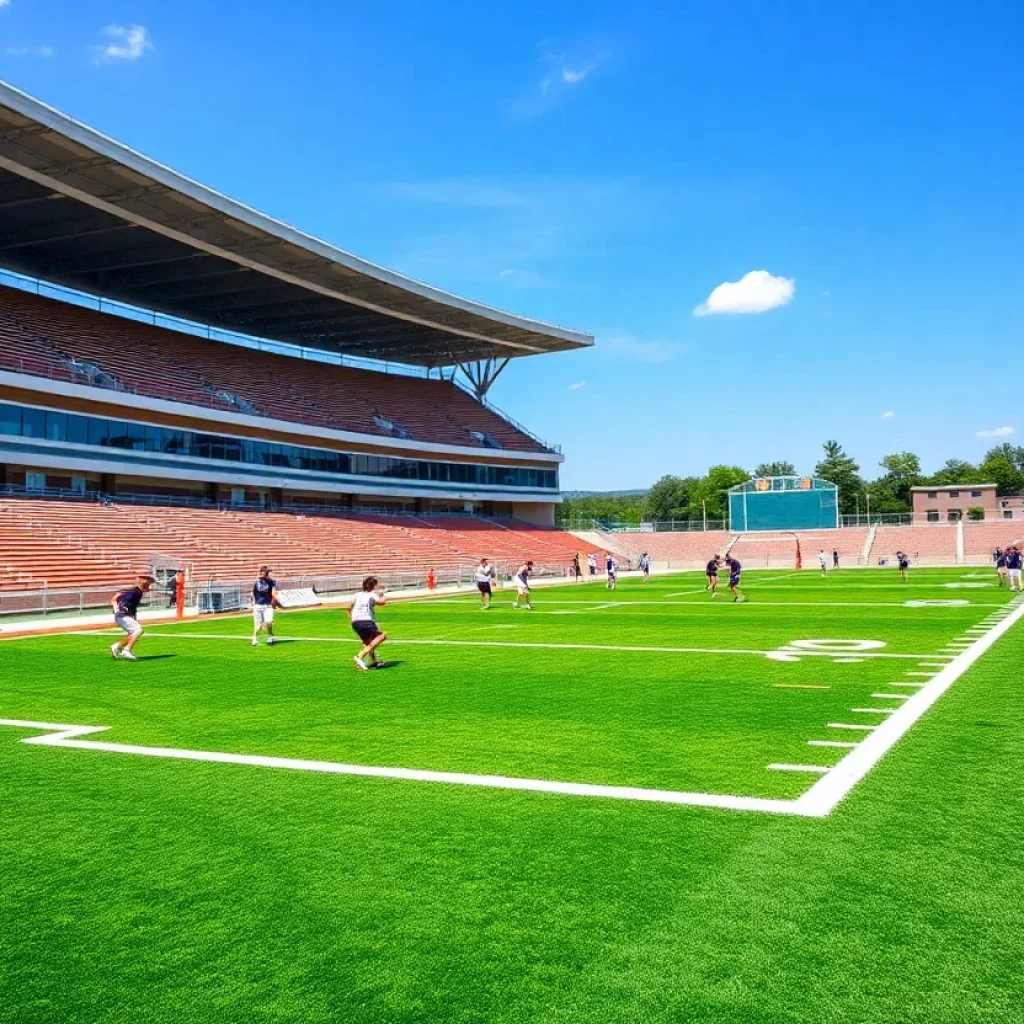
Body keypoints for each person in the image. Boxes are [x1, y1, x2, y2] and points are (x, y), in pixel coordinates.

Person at [109, 574, 155, 661]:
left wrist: (133, 618)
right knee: (138, 630)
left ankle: (116, 646)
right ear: (144, 582)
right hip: (122, 615)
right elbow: (125, 601)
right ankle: (126, 650)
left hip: (123, 615)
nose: (150, 585)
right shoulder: (135, 592)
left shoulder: (138, 592)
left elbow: (131, 606)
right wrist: (123, 608)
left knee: (133, 634)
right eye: (149, 582)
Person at [350, 576, 387, 670]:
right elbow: (382, 602)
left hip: (355, 622)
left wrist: (353, 618)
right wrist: (383, 593)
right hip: (366, 620)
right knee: (382, 636)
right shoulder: (372, 594)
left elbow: (350, 606)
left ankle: (373, 661)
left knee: (368, 643)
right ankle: (360, 656)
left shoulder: (357, 595)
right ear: (373, 586)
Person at [251, 565, 278, 646]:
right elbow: (253, 593)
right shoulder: (257, 582)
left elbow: (274, 593)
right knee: (258, 626)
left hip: (267, 606)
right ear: (261, 572)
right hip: (258, 606)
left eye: (267, 572)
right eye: (265, 571)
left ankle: (270, 636)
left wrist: (274, 603)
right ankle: (254, 638)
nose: (266, 573)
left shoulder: (271, 582)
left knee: (268, 621)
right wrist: (253, 602)